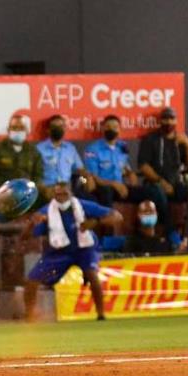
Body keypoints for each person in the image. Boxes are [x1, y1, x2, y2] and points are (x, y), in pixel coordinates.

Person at [26, 181, 122, 321]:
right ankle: (29, 315)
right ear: (54, 195)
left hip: (84, 248)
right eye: (58, 194)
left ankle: (101, 313)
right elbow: (27, 235)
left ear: (71, 193)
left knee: (92, 274)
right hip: (59, 251)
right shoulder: (45, 211)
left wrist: (96, 222)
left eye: (65, 194)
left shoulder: (83, 205)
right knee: (31, 280)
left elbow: (117, 216)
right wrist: (32, 224)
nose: (61, 197)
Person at [138, 107, 188, 235]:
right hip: (155, 183)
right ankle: (170, 234)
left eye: (172, 119)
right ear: (160, 121)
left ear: (176, 121)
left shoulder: (181, 140)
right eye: (165, 119)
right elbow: (143, 166)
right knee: (159, 195)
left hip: (176, 183)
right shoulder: (150, 139)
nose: (168, 122)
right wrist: (161, 182)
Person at [84, 115, 140, 207]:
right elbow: (93, 176)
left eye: (115, 127)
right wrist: (114, 184)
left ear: (119, 130)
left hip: (120, 186)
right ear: (102, 129)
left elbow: (125, 166)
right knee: (107, 191)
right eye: (108, 127)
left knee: (147, 192)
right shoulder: (92, 149)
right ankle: (108, 215)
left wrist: (131, 174)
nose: (111, 129)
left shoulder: (122, 146)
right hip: (102, 187)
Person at [0, 114, 44, 197]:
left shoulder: (33, 151)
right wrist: (8, 188)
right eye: (14, 128)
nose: (18, 131)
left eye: (21, 128)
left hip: (26, 194)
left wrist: (29, 188)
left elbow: (38, 175)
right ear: (8, 130)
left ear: (27, 131)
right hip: (2, 194)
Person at [36, 115, 91, 196]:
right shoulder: (39, 149)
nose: (58, 129)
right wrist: (43, 189)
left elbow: (80, 171)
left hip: (68, 189)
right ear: (48, 130)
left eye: (61, 126)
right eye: (55, 127)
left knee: (87, 192)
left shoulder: (70, 148)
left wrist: (86, 179)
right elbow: (34, 176)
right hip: (48, 189)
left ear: (65, 128)